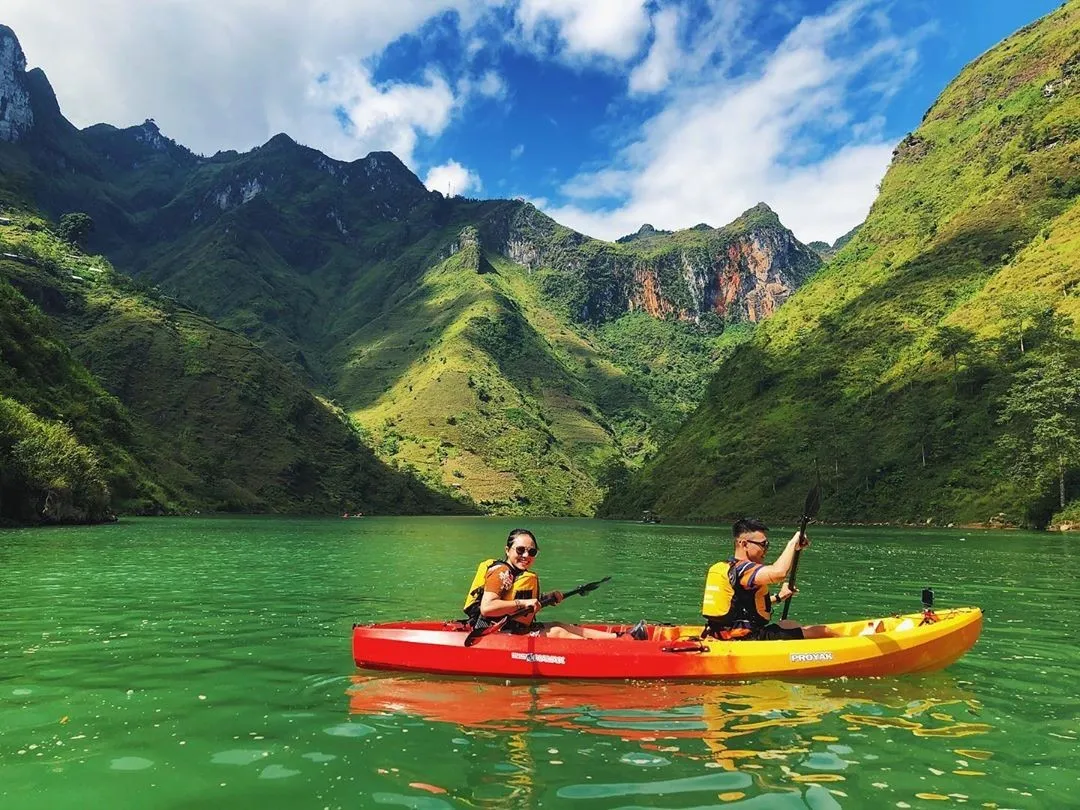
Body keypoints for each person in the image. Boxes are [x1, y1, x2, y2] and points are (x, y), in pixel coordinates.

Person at [463, 528, 647, 640]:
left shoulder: (517, 574)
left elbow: (517, 609)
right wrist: (524, 603)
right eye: (520, 550)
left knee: (560, 624)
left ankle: (621, 638)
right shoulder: (502, 572)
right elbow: (488, 608)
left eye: (531, 551)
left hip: (512, 628)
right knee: (558, 632)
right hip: (490, 633)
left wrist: (546, 599)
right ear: (507, 550)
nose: (526, 555)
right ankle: (614, 652)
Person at [700, 517, 836, 640]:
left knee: (788, 624)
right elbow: (779, 573)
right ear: (744, 544)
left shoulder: (729, 567)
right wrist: (792, 544)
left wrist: (779, 597)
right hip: (748, 638)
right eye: (763, 545)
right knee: (825, 632)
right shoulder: (744, 569)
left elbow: (742, 606)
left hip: (722, 634)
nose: (766, 549)